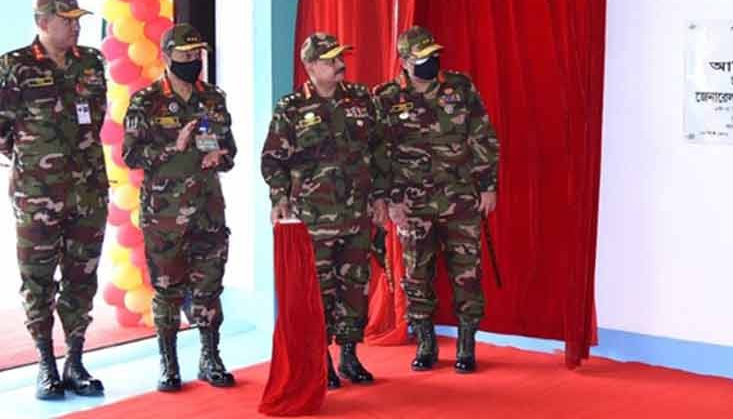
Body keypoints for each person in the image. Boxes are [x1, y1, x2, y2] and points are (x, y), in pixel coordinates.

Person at [371, 26, 500, 374]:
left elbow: (483, 136)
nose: (432, 61)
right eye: (423, 57)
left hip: (460, 197)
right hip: (411, 203)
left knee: (467, 273)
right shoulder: (385, 98)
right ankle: (425, 342)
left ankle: (466, 344)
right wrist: (389, 199)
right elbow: (378, 153)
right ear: (404, 60)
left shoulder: (460, 87)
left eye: (434, 54)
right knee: (416, 274)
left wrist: (488, 185)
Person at [0, 0, 107, 400]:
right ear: (43, 23)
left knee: (82, 278)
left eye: (78, 20)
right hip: (38, 197)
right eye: (67, 21)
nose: (75, 27)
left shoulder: (91, 62)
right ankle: (45, 364)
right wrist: (34, 160)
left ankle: (75, 361)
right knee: (38, 280)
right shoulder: (15, 67)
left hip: (88, 192)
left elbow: (95, 120)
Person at [122, 24, 237, 392]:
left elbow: (230, 150)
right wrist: (175, 145)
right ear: (167, 56)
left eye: (196, 54)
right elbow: (130, 155)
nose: (192, 60)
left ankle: (210, 357)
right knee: (168, 289)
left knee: (209, 287)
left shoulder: (213, 98)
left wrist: (221, 157)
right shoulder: (146, 101)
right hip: (165, 215)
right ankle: (169, 363)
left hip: (208, 210)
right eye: (185, 55)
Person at [261, 33, 377, 390]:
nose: (339, 65)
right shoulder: (292, 107)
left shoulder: (360, 99)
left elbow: (379, 150)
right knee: (319, 291)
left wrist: (382, 196)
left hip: (356, 213)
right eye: (330, 60)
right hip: (314, 218)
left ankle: (349, 355)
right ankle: (320, 358)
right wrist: (278, 198)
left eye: (340, 57)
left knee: (355, 288)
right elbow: (273, 159)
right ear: (310, 66)